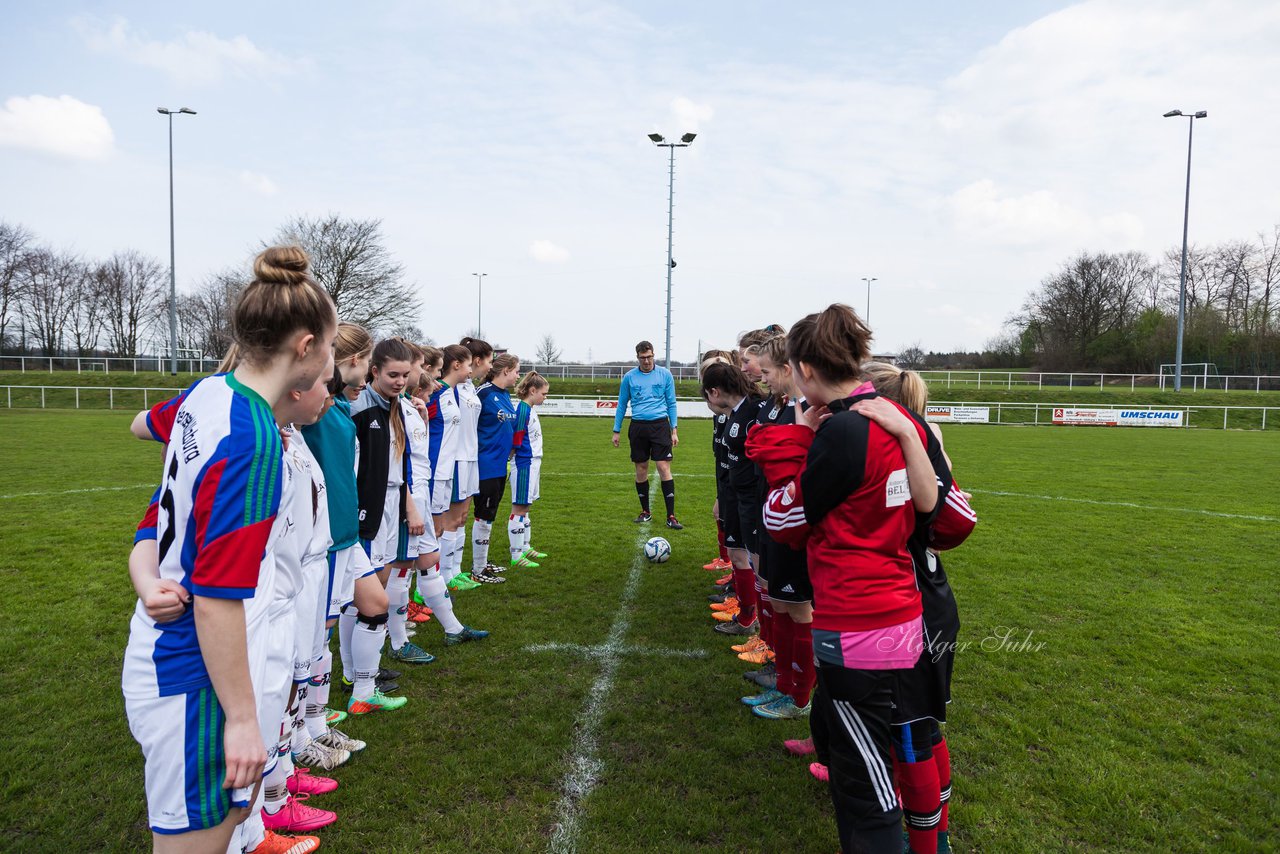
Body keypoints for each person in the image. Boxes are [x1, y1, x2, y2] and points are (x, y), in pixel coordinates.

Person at [122, 245, 336, 853]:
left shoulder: (208, 394)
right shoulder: (255, 441)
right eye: (328, 342)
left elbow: (158, 515)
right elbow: (217, 598)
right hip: (197, 676)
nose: (329, 359)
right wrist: (244, 721)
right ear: (304, 347)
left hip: (170, 652)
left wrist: (145, 576)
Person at [754, 303, 947, 854]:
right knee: (869, 754)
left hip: (855, 622)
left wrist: (796, 441)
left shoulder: (843, 431)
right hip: (901, 612)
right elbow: (937, 511)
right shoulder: (897, 416)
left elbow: (782, 521)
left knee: (866, 791)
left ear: (808, 370)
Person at [858, 362, 977, 854]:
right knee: (922, 726)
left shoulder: (904, 453)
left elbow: (958, 521)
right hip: (931, 599)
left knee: (910, 732)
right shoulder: (921, 445)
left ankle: (929, 845)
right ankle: (939, 836)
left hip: (913, 610)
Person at [611, 340, 682, 529]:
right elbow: (621, 404)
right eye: (643, 358)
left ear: (653, 355)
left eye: (649, 357)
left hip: (660, 426)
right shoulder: (629, 377)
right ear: (638, 358)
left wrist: (674, 429)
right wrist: (616, 430)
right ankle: (645, 512)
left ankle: (671, 516)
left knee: (663, 466)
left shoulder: (665, 375)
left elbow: (672, 403)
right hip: (638, 427)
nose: (647, 361)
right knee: (641, 468)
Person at [470, 352, 521, 581]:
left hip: (501, 465)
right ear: (506, 370)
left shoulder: (504, 395)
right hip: (485, 464)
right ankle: (478, 569)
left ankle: (482, 562)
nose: (518, 375)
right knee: (483, 515)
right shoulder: (483, 393)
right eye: (517, 371)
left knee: (489, 516)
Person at [509, 370, 550, 567]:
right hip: (525, 462)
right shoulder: (523, 410)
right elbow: (516, 438)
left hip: (534, 462)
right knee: (519, 507)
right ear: (532, 390)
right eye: (544, 393)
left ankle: (525, 547)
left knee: (526, 507)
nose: (545, 397)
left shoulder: (530, 409)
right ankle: (516, 556)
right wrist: (512, 458)